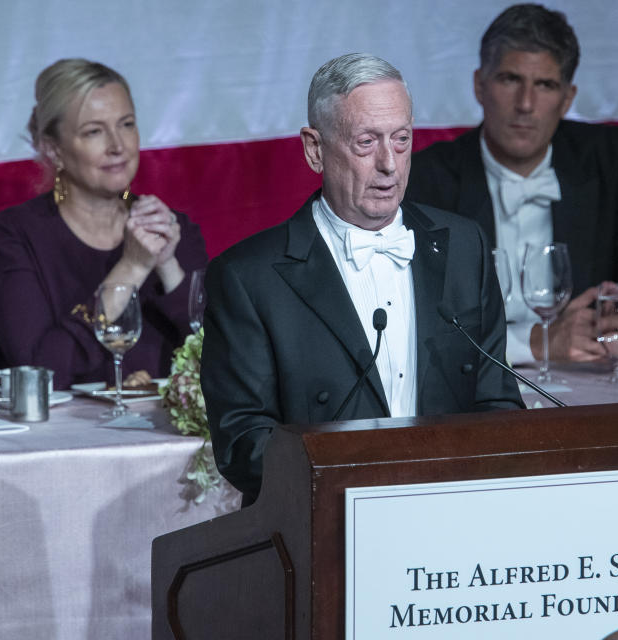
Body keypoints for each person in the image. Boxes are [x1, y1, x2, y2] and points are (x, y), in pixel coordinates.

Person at [202, 53, 524, 505]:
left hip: (453, 513)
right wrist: (362, 480)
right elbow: (242, 444)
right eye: (366, 142)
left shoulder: (462, 245)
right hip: (322, 526)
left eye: (402, 139)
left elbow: (497, 402)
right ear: (315, 149)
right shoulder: (249, 277)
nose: (389, 164)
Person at [405, 4, 618, 365]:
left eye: (545, 85)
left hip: (593, 396)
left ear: (567, 99)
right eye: (510, 79)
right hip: (470, 395)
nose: (526, 104)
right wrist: (537, 344)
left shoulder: (609, 159)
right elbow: (413, 328)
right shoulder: (425, 177)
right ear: (480, 85)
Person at [0, 59, 207, 390]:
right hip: (61, 436)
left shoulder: (174, 229)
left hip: (160, 430)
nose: (118, 146)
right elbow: (39, 373)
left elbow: (222, 357)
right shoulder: (16, 236)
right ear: (54, 150)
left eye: (127, 124)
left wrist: (168, 266)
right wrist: (131, 268)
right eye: (94, 131)